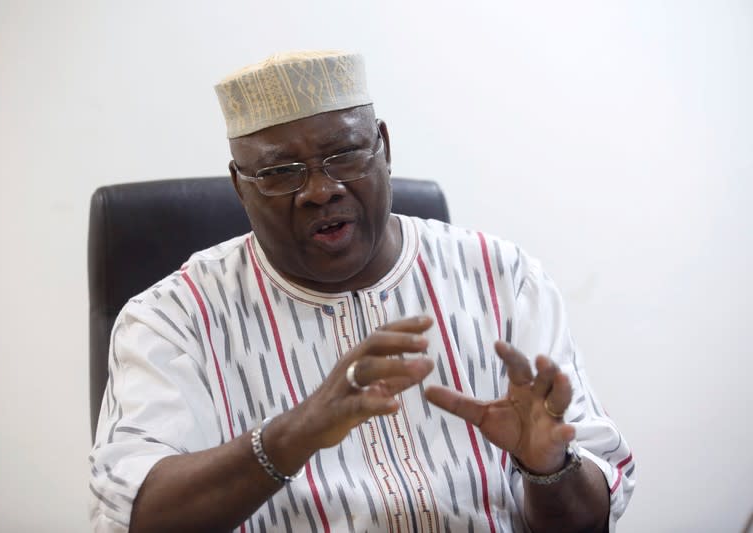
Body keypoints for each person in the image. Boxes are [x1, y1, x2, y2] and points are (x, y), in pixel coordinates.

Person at [89, 50, 634, 533]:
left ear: (384, 147)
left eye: (345, 156)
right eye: (281, 172)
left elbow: (590, 519)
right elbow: (136, 516)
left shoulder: (504, 278)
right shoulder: (172, 317)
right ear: (239, 185)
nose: (320, 191)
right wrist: (295, 433)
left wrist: (549, 467)